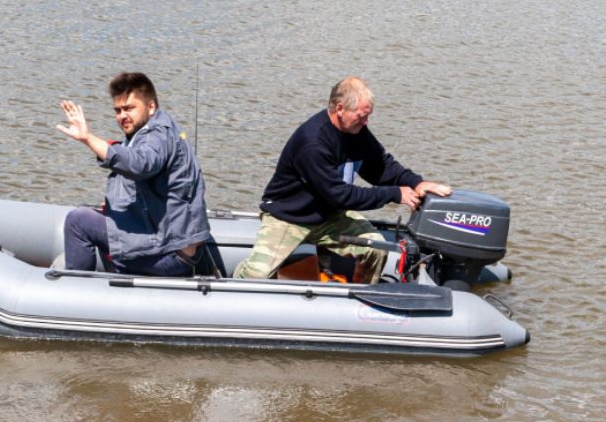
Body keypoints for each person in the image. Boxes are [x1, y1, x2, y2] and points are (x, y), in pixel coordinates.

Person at [233, 76, 452, 283]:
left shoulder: (357, 132)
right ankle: (234, 280)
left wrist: (416, 183)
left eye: (369, 115)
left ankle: (358, 299)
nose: (366, 122)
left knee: (376, 249)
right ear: (340, 109)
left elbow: (380, 165)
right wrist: (395, 194)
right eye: (361, 115)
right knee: (256, 275)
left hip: (329, 217)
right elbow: (340, 195)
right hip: (289, 217)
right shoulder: (314, 143)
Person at [56, 72, 212, 276]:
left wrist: (87, 138)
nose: (122, 116)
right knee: (106, 217)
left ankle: (76, 296)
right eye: (118, 110)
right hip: (178, 247)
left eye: (129, 108)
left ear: (151, 106)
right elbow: (133, 156)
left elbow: (140, 163)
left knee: (79, 221)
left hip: (168, 256)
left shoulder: (157, 135)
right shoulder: (160, 129)